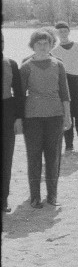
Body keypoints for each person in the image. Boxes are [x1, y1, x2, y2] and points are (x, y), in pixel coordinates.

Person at [20, 29, 71, 208]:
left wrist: (67, 116)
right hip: (32, 117)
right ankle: (35, 197)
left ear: (51, 45)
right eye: (38, 43)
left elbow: (65, 93)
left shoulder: (59, 64)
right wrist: (19, 119)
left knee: (53, 156)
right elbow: (20, 95)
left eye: (46, 43)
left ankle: (52, 196)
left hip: (55, 116)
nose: (42, 47)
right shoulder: (25, 67)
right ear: (32, 46)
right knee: (34, 157)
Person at [50, 22, 78, 152]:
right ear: (57, 34)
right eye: (60, 32)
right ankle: (69, 146)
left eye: (65, 31)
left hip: (77, 82)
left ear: (69, 32)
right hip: (63, 84)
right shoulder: (54, 51)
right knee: (67, 114)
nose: (63, 34)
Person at [2, 36, 25, 212]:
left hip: (7, 111)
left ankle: (3, 199)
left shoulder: (11, 63)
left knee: (5, 157)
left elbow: (18, 91)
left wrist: (18, 117)